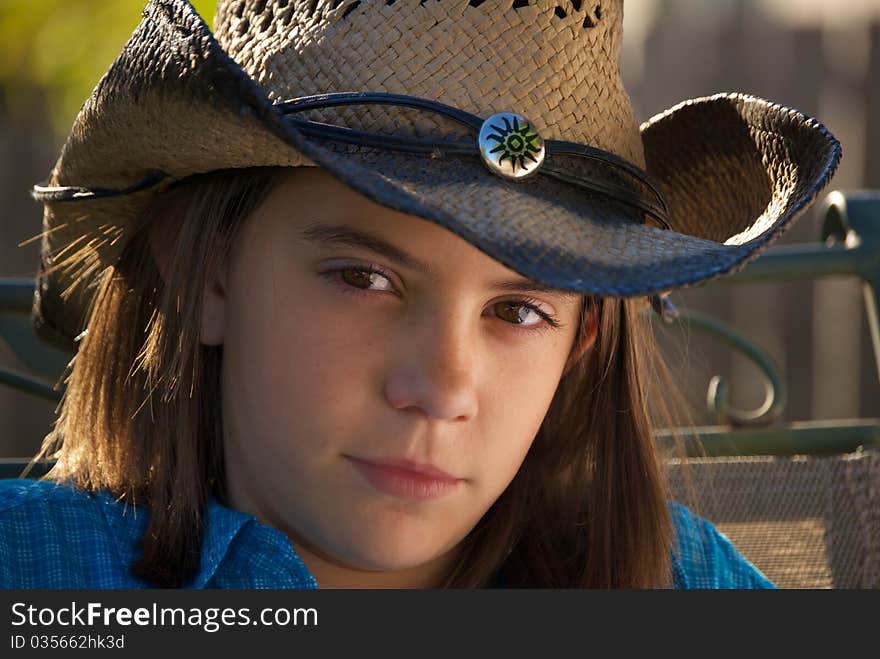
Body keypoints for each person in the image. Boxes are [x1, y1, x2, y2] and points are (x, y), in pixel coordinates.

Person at [0, 0, 840, 589]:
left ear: (580, 343)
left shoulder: (679, 586)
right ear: (205, 268)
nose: (439, 389)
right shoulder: (33, 569)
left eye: (517, 310)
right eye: (364, 278)